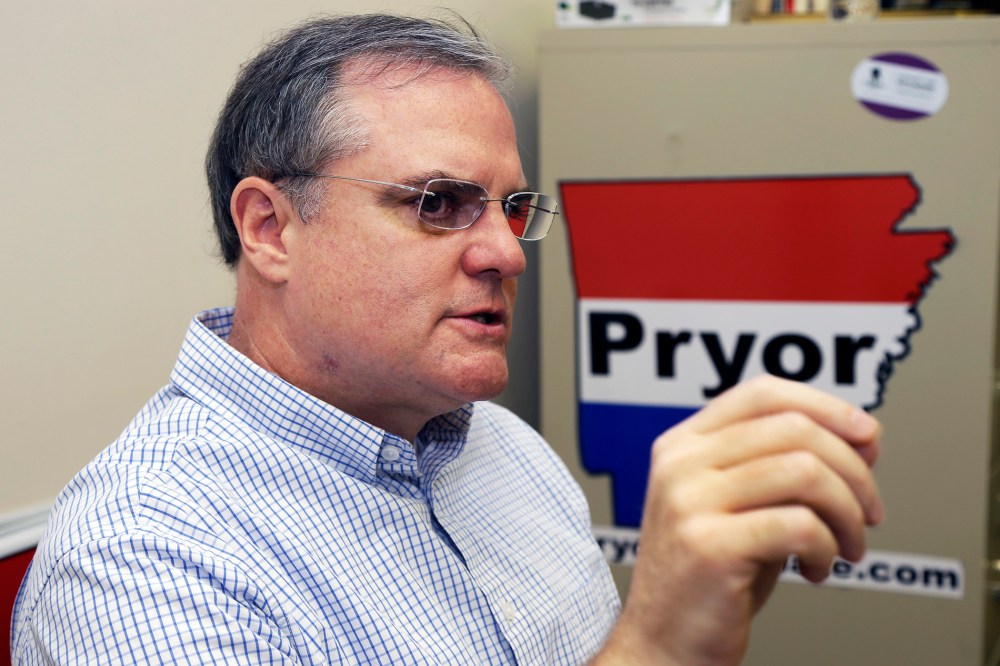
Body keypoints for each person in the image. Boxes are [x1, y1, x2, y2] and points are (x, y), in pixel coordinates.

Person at [11, 12, 883, 665]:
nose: (506, 250)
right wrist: (656, 646)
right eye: (437, 203)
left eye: (512, 208)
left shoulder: (504, 447)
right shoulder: (143, 562)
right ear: (270, 228)